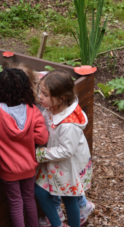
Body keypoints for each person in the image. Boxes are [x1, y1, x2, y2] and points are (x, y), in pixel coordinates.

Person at [0, 68, 49, 227]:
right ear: (25, 88)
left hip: (7, 169)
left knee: (15, 202)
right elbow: (42, 138)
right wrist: (27, 136)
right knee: (29, 198)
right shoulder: (33, 110)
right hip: (29, 167)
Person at [34, 70, 93, 227]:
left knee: (69, 198)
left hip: (67, 165)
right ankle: (57, 223)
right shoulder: (54, 107)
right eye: (40, 91)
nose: (40, 96)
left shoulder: (68, 125)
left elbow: (67, 151)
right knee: (40, 191)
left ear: (60, 99)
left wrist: (40, 153)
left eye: (45, 94)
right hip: (55, 162)